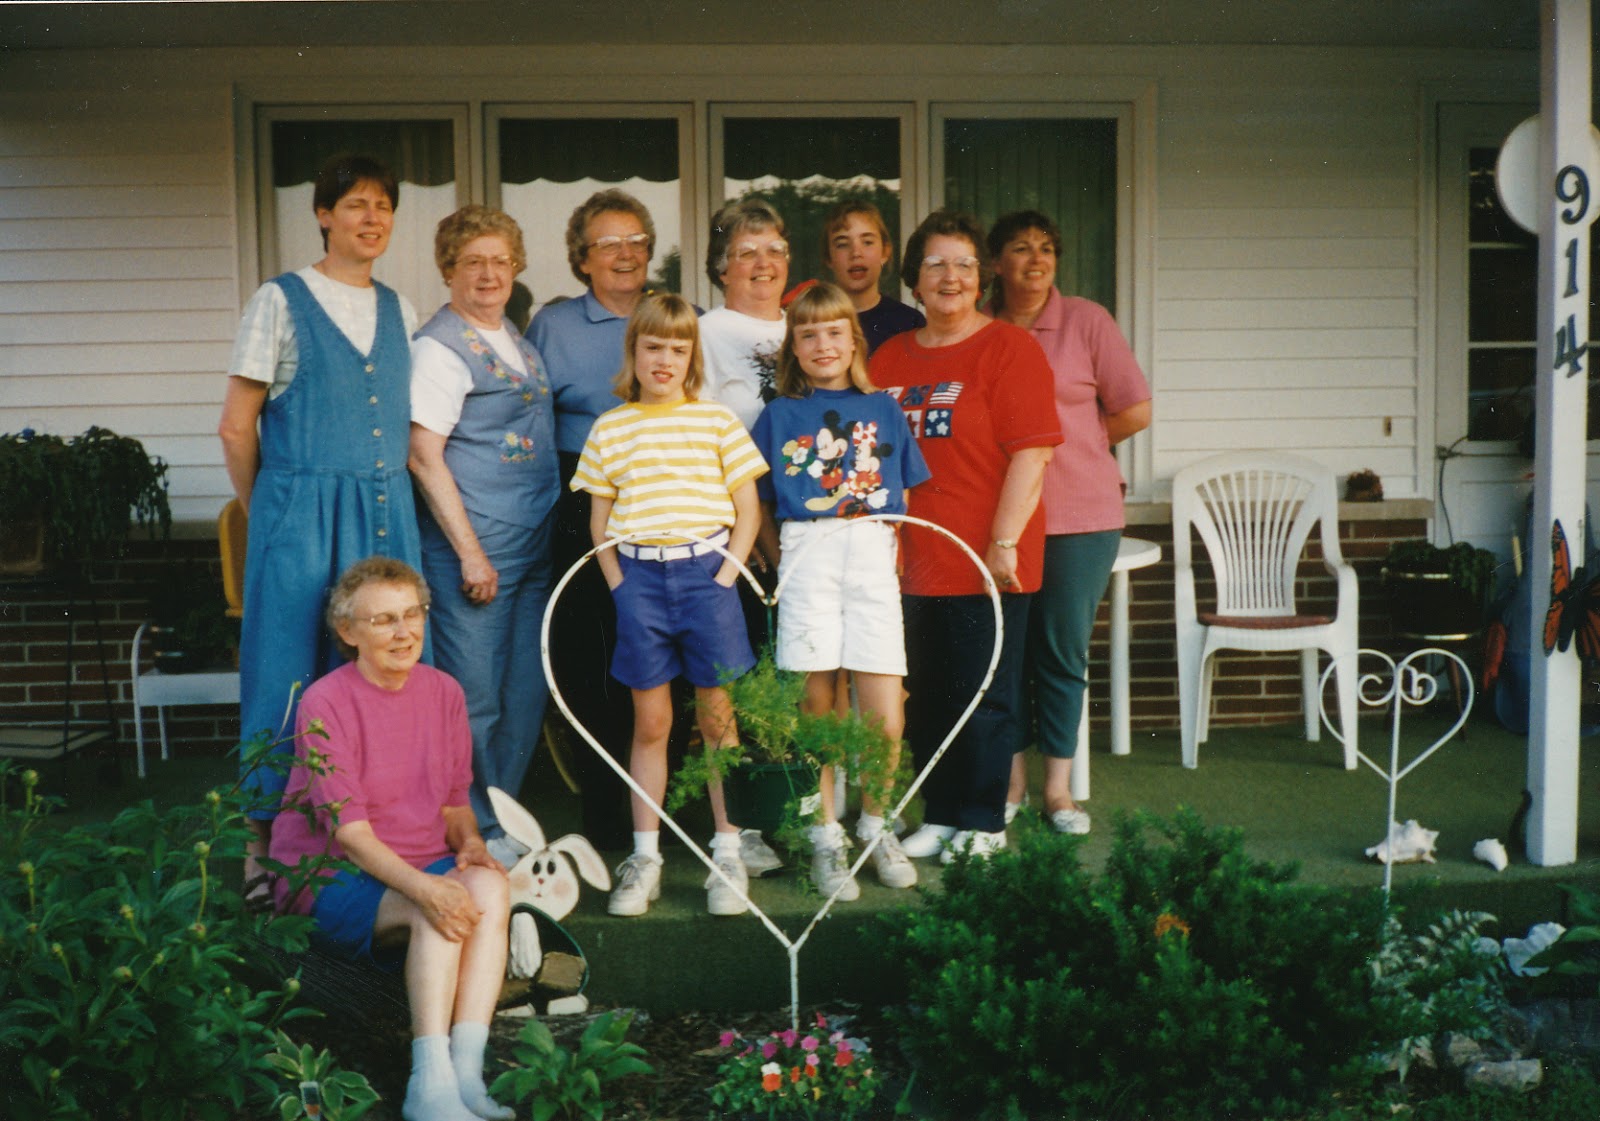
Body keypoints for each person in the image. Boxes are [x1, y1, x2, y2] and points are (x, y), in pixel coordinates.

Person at [218, 153, 422, 899]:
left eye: (383, 206)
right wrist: (269, 512)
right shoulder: (280, 300)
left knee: (381, 670)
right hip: (298, 511)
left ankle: (366, 845)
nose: (372, 218)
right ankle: (260, 850)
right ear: (324, 215)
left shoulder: (400, 311)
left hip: (384, 512)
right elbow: (236, 426)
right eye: (356, 204)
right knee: (285, 673)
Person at [269, 557, 512, 1121]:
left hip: (418, 862)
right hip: (332, 875)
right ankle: (429, 1085)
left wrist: (471, 843)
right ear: (348, 631)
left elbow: (454, 803)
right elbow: (351, 836)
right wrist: (427, 889)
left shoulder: (444, 692)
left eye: (412, 614)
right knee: (437, 907)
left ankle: (466, 1074)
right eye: (383, 620)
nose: (404, 632)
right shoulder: (326, 702)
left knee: (491, 888)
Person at [869, 210, 1061, 863]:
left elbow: (1033, 454)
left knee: (985, 693)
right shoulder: (889, 357)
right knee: (928, 692)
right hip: (912, 557)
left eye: (963, 264)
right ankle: (943, 811)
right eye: (934, 264)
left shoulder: (1011, 349)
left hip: (987, 556)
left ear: (982, 277)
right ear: (914, 278)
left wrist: (1003, 543)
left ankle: (983, 818)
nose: (949, 277)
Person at [570, 293, 769, 917]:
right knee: (652, 723)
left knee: (717, 720)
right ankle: (646, 856)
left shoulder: (716, 422)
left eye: (678, 350)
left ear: (692, 359)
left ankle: (728, 852)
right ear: (634, 351)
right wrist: (619, 584)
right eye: (653, 346)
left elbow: (747, 508)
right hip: (640, 580)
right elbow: (599, 522)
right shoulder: (612, 427)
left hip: (706, 576)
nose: (664, 360)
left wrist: (726, 574)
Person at [749, 282, 928, 897]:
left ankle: (877, 825)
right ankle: (826, 833)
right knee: (816, 704)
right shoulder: (777, 416)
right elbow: (760, 502)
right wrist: (784, 562)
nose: (822, 345)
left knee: (884, 708)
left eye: (833, 332)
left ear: (853, 340)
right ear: (792, 349)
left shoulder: (883, 408)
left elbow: (904, 494)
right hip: (808, 554)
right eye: (807, 335)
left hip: (871, 554)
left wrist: (885, 549)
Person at [988, 210, 1152, 836]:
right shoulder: (983, 328)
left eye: (1046, 249)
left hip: (1080, 516)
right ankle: (1011, 783)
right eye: (1020, 248)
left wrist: (1074, 444)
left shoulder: (1087, 321)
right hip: (1000, 519)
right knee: (1006, 653)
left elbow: (1134, 409)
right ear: (996, 263)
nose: (1036, 260)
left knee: (1061, 651)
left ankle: (1058, 791)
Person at [408, 205, 558, 865]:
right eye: (473, 262)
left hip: (531, 543)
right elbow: (423, 455)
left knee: (525, 690)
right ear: (449, 270)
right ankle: (476, 829)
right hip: (476, 549)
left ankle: (506, 816)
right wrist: (470, 553)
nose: (489, 274)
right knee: (474, 698)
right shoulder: (439, 349)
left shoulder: (514, 338)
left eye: (500, 261)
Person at [524, 190, 660, 854]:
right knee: (592, 660)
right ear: (582, 259)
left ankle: (663, 817)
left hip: (666, 496)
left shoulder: (675, 315)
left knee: (664, 661)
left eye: (636, 241)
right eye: (608, 244)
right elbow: (528, 422)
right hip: (582, 497)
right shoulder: (553, 326)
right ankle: (606, 818)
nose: (625, 254)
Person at [700, 197, 789, 432]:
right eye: (748, 253)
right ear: (722, 270)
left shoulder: (805, 330)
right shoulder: (702, 334)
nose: (764, 263)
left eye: (775, 251)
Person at [822, 200, 924, 355]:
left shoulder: (909, 322)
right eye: (842, 244)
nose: (856, 253)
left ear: (885, 252)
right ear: (828, 257)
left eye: (867, 242)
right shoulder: (815, 321)